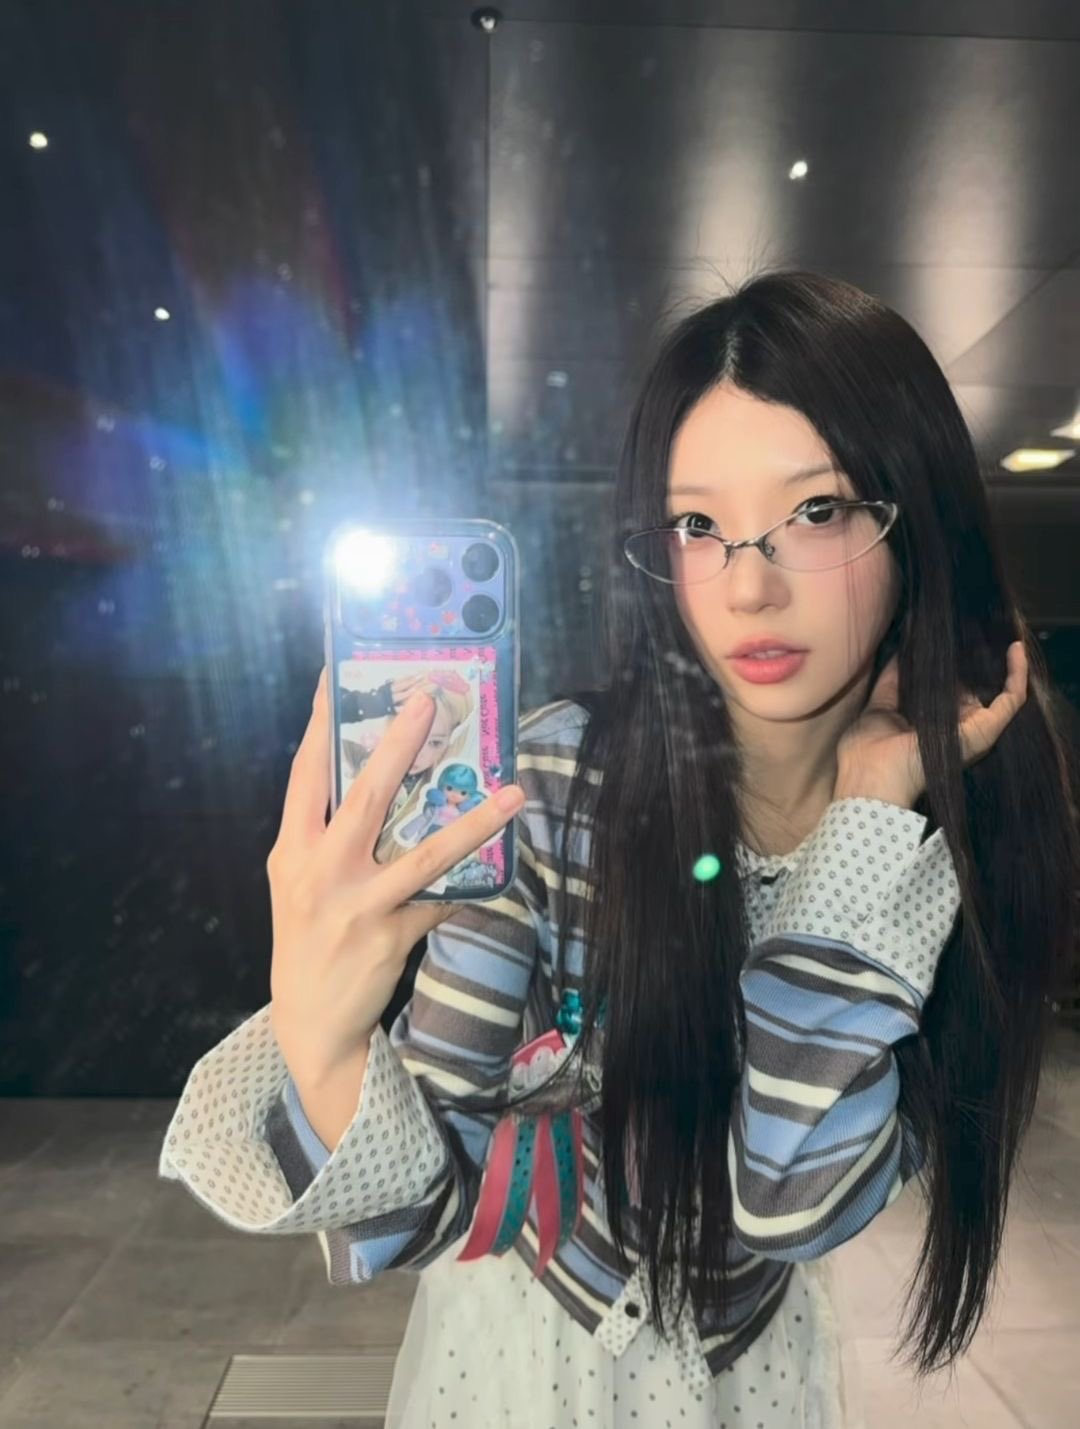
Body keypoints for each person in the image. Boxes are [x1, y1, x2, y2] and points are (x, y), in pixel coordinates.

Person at [158, 269, 1079, 1428]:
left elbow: (793, 1203)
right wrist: (325, 1036)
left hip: (755, 1378)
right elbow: (416, 1213)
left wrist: (868, 815)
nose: (749, 584)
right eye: (698, 526)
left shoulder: (938, 838)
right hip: (513, 1375)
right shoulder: (556, 785)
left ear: (916, 523)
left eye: (818, 511)